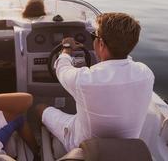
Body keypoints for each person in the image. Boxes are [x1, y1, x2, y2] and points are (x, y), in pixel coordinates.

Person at [36, 12, 155, 152]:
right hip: (126, 146)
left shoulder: (84, 80)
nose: (93, 40)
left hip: (83, 147)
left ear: (101, 43)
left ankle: (42, 150)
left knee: (40, 108)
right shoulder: (146, 73)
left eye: (94, 36)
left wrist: (66, 49)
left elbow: (61, 69)